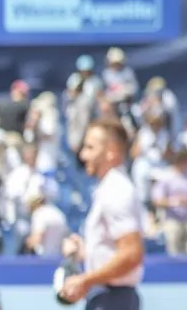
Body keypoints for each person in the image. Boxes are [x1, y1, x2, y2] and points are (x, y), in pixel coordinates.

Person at [58, 119, 145, 310]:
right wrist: (84, 251)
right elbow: (115, 251)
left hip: (113, 300)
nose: (83, 155)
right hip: (108, 298)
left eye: (90, 148)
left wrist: (86, 280)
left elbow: (132, 253)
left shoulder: (117, 190)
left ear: (111, 151)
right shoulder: (109, 188)